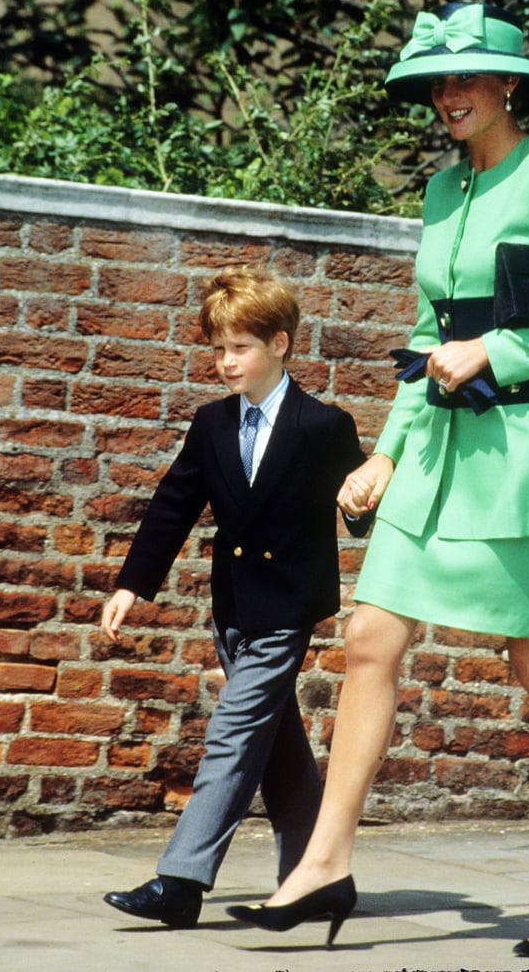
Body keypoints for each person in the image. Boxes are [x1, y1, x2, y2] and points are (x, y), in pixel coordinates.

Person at [225, 3, 529, 958]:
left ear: (508, 87)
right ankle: (324, 860)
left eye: (467, 79)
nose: (449, 96)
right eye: (438, 82)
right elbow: (423, 338)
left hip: (521, 457)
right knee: (368, 636)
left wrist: (494, 345)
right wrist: (384, 453)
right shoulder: (443, 194)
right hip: (436, 457)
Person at [101, 266, 371, 929]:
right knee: (276, 747)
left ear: (280, 343)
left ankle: (181, 881)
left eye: (240, 347)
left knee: (231, 734)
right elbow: (173, 504)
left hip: (287, 607)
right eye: (218, 348)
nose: (225, 362)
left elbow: (361, 504)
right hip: (233, 607)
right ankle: (321, 876)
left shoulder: (321, 425)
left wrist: (359, 500)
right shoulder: (212, 424)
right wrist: (133, 583)